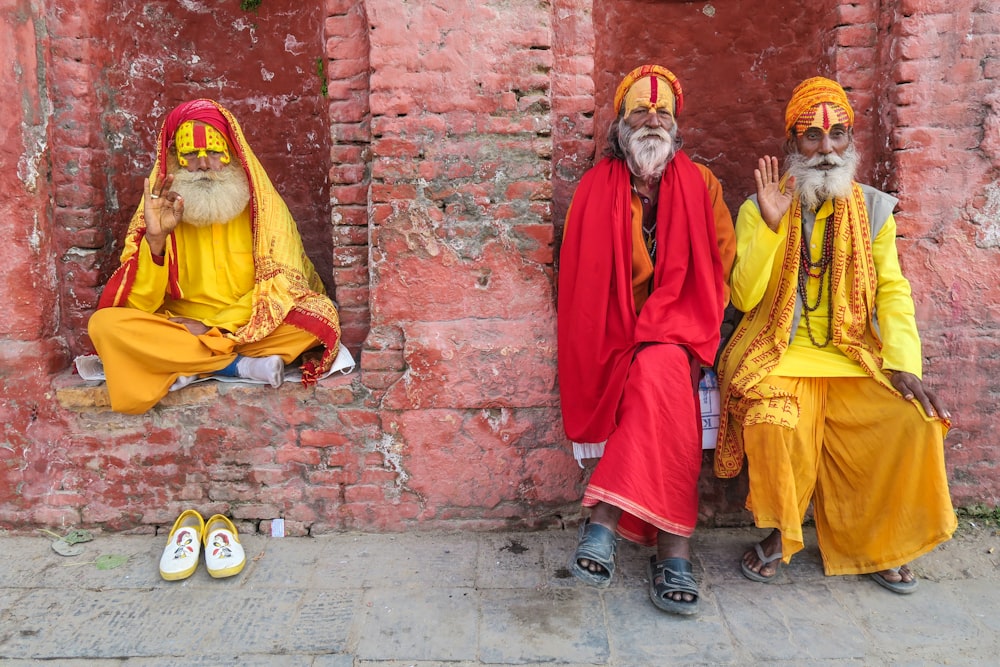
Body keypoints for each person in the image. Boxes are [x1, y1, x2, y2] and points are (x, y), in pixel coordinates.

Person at [716, 77, 956, 593]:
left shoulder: (874, 210)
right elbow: (742, 297)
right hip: (774, 349)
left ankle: (879, 541)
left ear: (851, 142)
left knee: (913, 420)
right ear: (791, 146)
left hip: (851, 353)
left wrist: (903, 362)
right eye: (812, 137)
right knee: (773, 420)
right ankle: (783, 534)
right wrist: (769, 224)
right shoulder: (762, 205)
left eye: (838, 136)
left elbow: (893, 291)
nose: (826, 150)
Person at [557, 65, 736, 615]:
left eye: (662, 112)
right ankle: (672, 547)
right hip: (613, 334)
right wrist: (633, 330)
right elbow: (579, 280)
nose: (652, 120)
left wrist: (673, 325)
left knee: (660, 364)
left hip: (683, 329)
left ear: (677, 125)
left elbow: (719, 267)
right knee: (655, 374)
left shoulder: (702, 186)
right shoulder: (594, 189)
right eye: (640, 111)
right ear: (621, 124)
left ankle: (606, 518)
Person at [88, 99, 341, 414]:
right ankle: (235, 366)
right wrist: (156, 239)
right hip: (179, 326)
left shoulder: (262, 208)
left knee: (318, 318)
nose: (204, 164)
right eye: (191, 155)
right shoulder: (159, 210)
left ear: (233, 155)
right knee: (105, 325)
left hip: (249, 324)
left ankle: (187, 361)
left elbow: (284, 287)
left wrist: (213, 328)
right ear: (175, 161)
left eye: (213, 152)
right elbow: (137, 305)